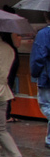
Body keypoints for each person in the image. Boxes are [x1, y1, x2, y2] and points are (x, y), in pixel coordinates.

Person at [31, 11, 50, 149]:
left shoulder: (43, 34)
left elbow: (38, 57)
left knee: (46, 105)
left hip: (47, 77)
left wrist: (35, 73)